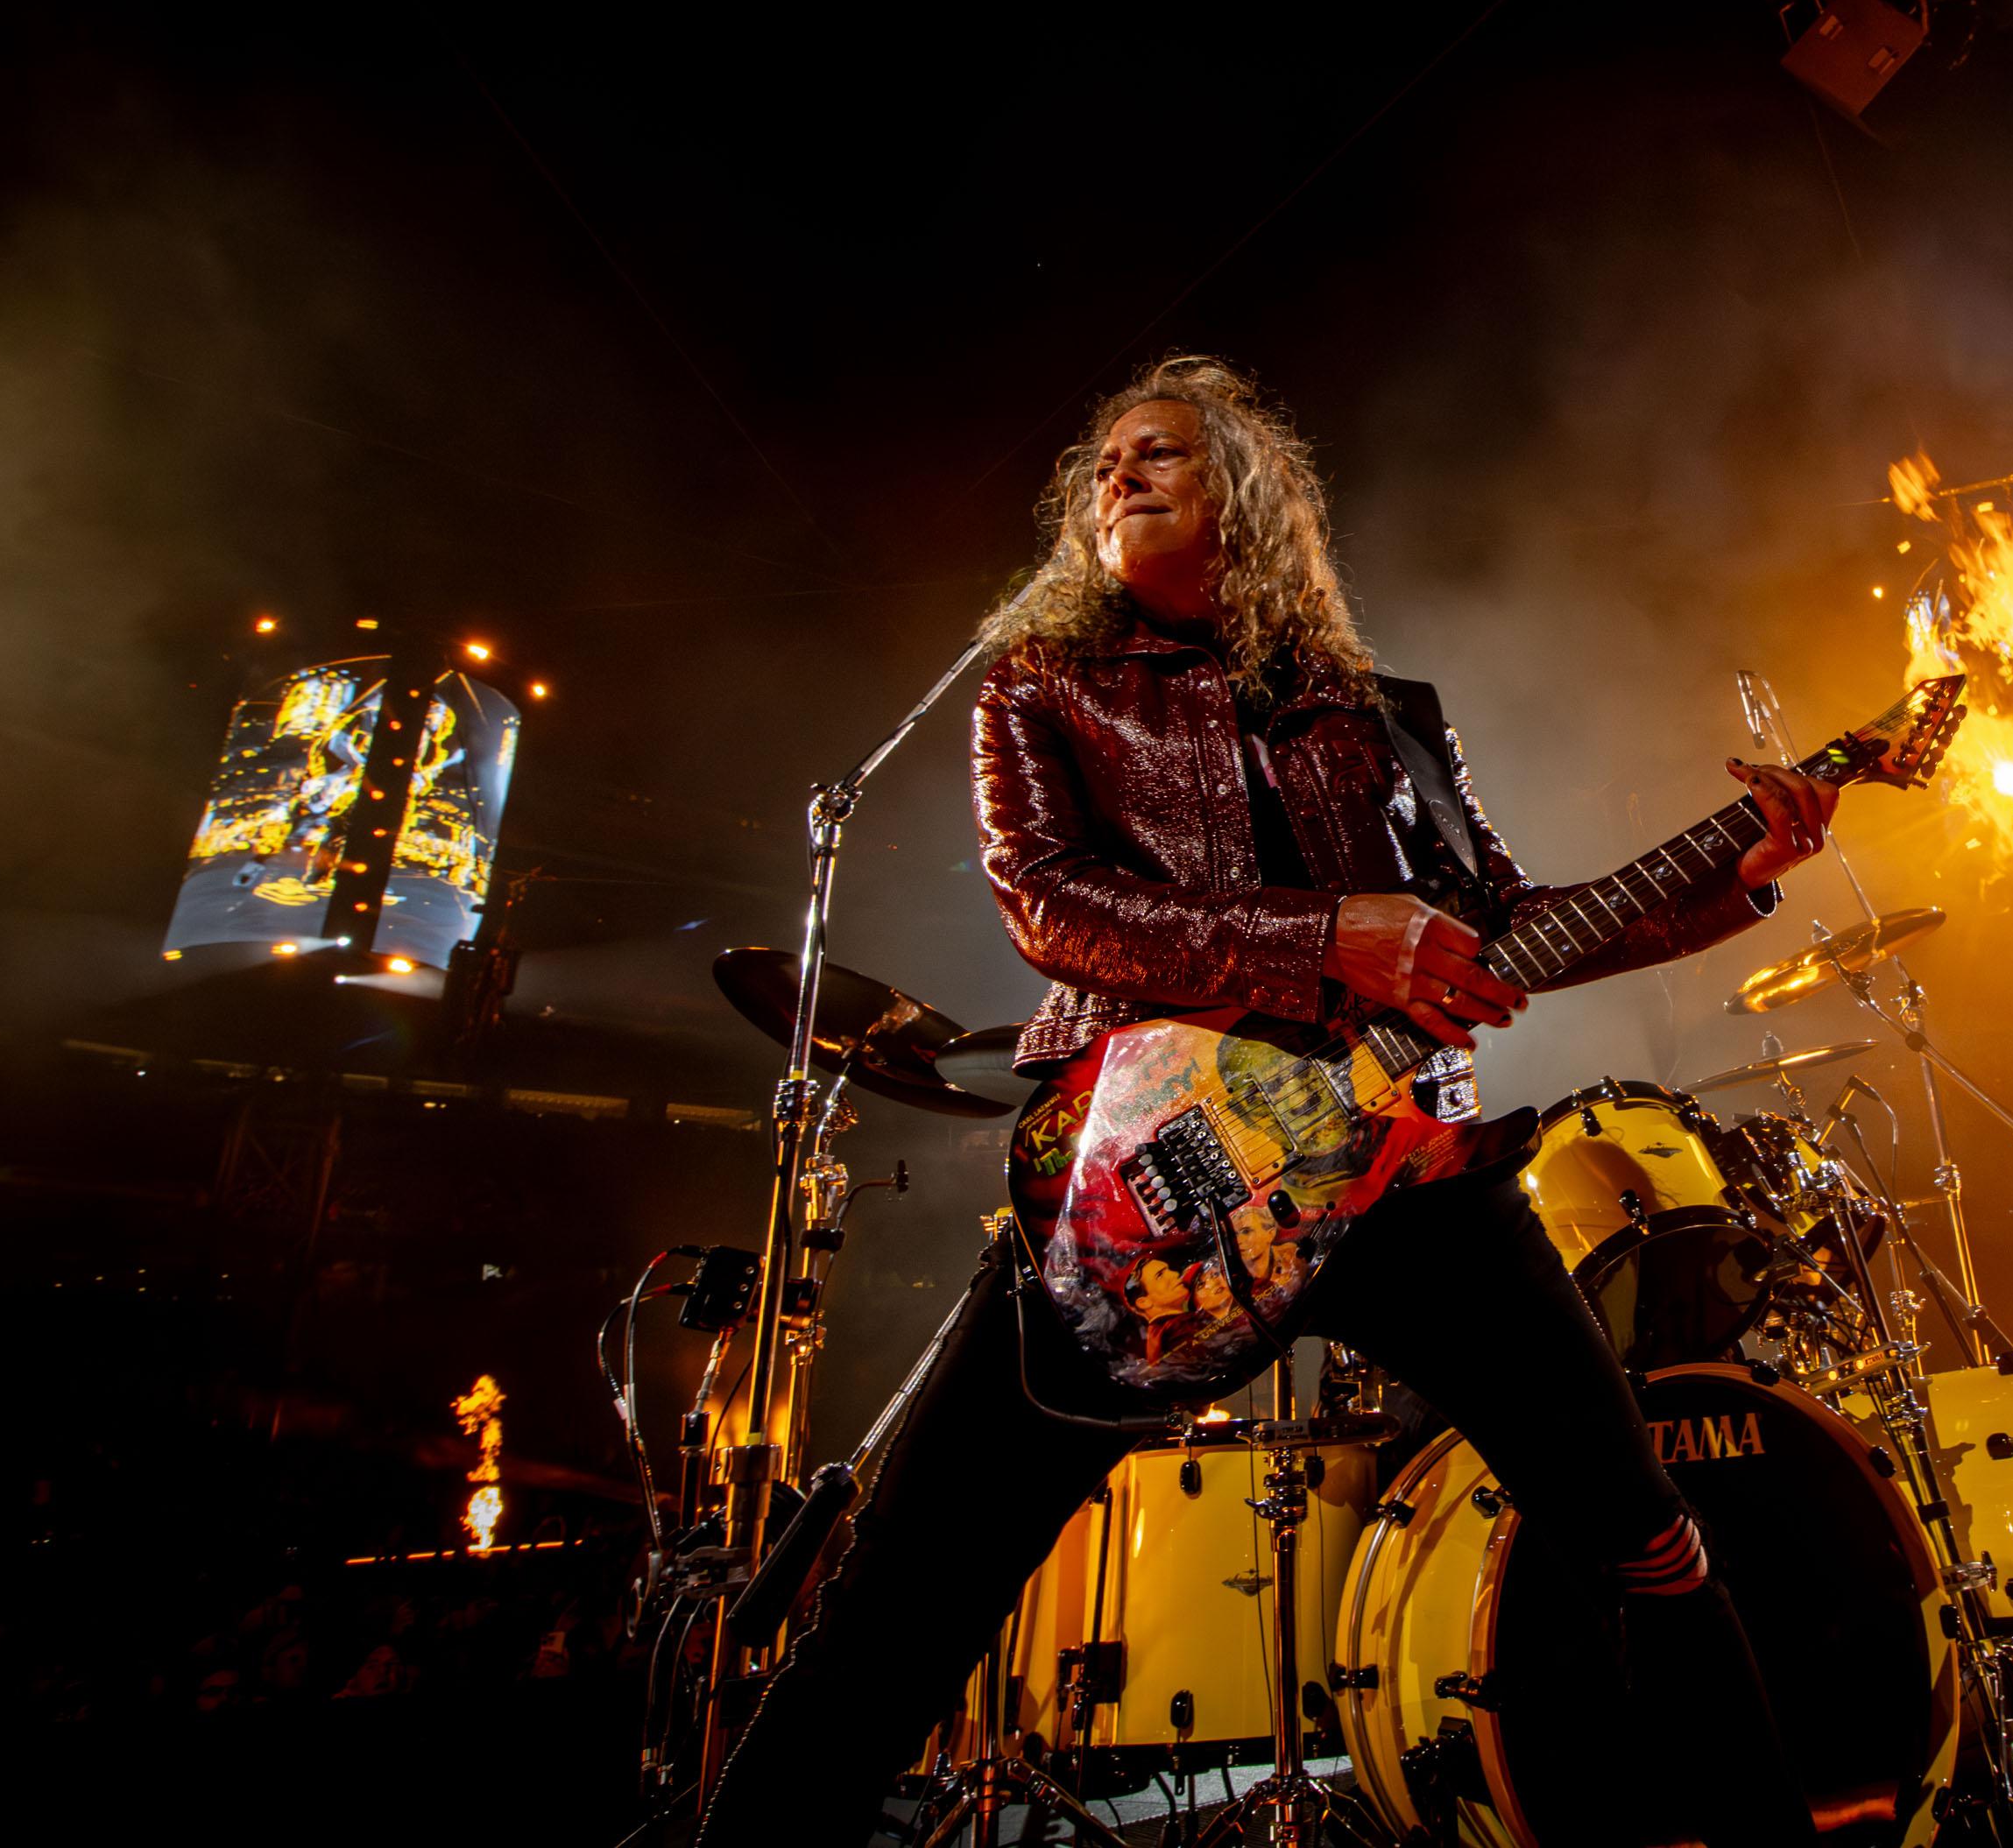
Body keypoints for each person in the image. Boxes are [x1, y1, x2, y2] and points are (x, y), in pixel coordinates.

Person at [698, 356, 1837, 1847]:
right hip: (1149, 1188)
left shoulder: (1380, 713)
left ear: (1245, 493)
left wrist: (1730, 879)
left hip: (1413, 1183)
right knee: (904, 1604)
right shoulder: (1040, 683)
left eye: (1158, 453)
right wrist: (1319, 938)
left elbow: (1503, 921)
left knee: (1655, 1549)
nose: (1116, 475)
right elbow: (1050, 905)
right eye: (1104, 462)